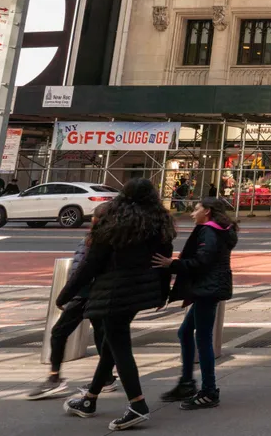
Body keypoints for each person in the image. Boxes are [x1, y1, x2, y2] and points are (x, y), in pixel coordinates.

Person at [58, 178, 176, 431]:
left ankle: (138, 404)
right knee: (111, 346)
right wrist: (163, 292)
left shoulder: (113, 223)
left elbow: (90, 264)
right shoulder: (159, 223)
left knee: (119, 347)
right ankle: (90, 399)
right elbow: (163, 259)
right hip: (139, 294)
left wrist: (66, 294)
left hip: (113, 293)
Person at [154, 197, 239, 410]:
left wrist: (172, 264)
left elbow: (203, 260)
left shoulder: (209, 231)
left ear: (207, 211)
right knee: (185, 333)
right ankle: (187, 382)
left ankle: (209, 390)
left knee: (203, 339)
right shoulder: (221, 229)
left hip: (207, 289)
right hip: (209, 287)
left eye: (196, 209)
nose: (193, 213)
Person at [26, 204, 118, 400]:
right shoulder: (109, 238)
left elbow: (84, 269)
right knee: (102, 336)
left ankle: (54, 377)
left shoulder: (98, 240)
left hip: (85, 294)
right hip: (95, 294)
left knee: (60, 332)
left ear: (97, 219)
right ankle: (107, 378)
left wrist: (65, 295)